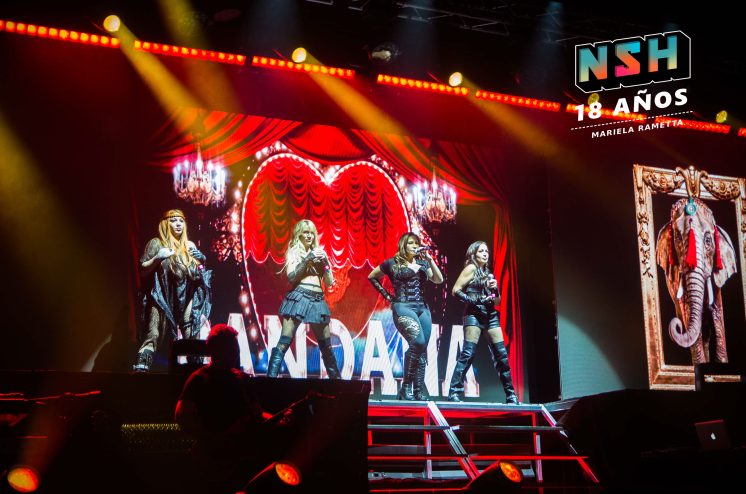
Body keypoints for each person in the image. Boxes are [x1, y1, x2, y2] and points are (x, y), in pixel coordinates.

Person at [175, 324, 270, 493]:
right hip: (211, 460)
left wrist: (278, 418)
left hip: (238, 459)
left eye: (235, 347)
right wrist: (213, 438)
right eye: (231, 348)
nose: (235, 352)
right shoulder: (199, 379)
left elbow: (256, 414)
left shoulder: (242, 379)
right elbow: (181, 415)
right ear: (215, 350)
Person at [133, 209, 212, 372]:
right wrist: (157, 258)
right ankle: (141, 369)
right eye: (173, 220)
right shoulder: (157, 243)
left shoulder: (189, 246)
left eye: (181, 221)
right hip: (162, 296)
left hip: (185, 297)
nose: (178, 224)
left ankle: (195, 371)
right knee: (153, 333)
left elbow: (198, 275)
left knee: (191, 334)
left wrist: (201, 261)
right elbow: (142, 270)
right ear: (165, 223)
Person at [368, 232, 444, 400]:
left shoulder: (423, 263)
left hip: (422, 308)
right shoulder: (392, 263)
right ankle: (406, 387)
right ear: (403, 245)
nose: (415, 246)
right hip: (403, 306)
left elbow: (438, 280)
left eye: (417, 243)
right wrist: (388, 296)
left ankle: (418, 391)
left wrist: (430, 260)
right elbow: (372, 276)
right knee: (418, 342)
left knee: (422, 349)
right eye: (411, 243)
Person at [266, 219, 341, 379]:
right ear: (299, 234)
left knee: (327, 347)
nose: (309, 236)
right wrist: (308, 259)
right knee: (284, 341)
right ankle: (270, 380)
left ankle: (338, 384)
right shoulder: (293, 252)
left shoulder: (320, 254)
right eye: (305, 232)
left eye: (311, 233)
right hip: (299, 297)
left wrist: (326, 263)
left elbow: (328, 283)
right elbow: (292, 277)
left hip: (317, 299)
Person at [447, 241, 518, 404]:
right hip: (474, 314)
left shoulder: (488, 273)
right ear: (474, 253)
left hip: (490, 315)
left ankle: (511, 395)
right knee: (468, 353)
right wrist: (473, 300)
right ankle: (454, 392)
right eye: (481, 251)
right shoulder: (471, 268)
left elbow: (497, 301)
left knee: (501, 356)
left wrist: (495, 289)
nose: (485, 254)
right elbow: (455, 290)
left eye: (487, 251)